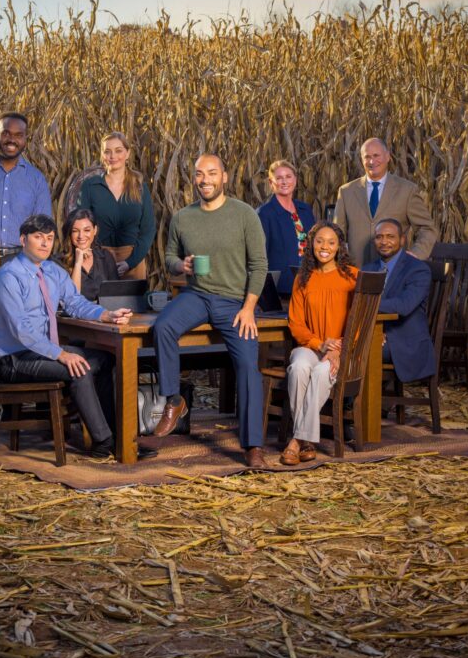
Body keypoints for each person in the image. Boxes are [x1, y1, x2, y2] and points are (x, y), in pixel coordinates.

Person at [152, 154, 269, 469]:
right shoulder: (182, 217)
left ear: (225, 177)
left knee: (247, 366)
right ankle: (174, 401)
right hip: (197, 295)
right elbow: (170, 256)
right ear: (194, 179)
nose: (205, 179)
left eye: (212, 173)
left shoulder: (244, 215)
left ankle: (253, 446)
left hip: (234, 303)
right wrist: (181, 265)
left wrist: (248, 308)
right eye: (200, 174)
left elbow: (259, 265)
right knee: (162, 326)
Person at [0, 214, 132, 460]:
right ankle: (103, 441)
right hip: (14, 359)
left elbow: (75, 302)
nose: (45, 244)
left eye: (50, 238)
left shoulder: (52, 270)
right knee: (80, 368)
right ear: (23, 240)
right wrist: (62, 354)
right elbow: (21, 331)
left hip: (41, 352)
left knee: (106, 359)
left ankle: (119, 436)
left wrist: (106, 315)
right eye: (38, 238)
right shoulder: (8, 277)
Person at [280, 222, 358, 466]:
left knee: (323, 371)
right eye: (319, 241)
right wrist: (318, 343)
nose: (325, 247)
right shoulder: (303, 278)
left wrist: (339, 350)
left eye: (331, 242)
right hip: (312, 346)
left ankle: (296, 440)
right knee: (298, 368)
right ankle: (308, 442)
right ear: (311, 244)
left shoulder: (353, 277)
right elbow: (296, 323)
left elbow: (360, 323)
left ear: (339, 247)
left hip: (340, 351)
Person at [333, 137, 438, 267]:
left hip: (394, 272)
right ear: (362, 160)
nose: (372, 161)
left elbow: (427, 228)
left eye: (376, 155)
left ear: (388, 156)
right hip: (355, 272)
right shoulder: (346, 191)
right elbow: (337, 234)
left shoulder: (407, 190)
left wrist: (416, 255)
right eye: (367, 157)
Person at [0, 113, 52, 255]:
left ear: (26, 139)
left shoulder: (36, 179)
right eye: (6, 133)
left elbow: (43, 228)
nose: (12, 140)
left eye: (19, 135)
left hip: (21, 261)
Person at [364, 218, 436, 383]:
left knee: (360, 351)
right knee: (342, 347)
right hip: (375, 336)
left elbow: (404, 306)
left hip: (405, 342)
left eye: (390, 237)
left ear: (402, 240)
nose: (384, 242)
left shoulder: (418, 269)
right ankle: (347, 404)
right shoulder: (368, 269)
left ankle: (367, 407)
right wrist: (373, 332)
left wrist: (365, 305)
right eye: (379, 237)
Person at [76, 132, 155, 280]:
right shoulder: (90, 186)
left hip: (134, 261)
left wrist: (130, 262)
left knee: (133, 303)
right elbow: (81, 226)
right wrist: (95, 258)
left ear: (127, 153)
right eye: (107, 151)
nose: (113, 156)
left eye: (118, 150)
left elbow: (148, 230)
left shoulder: (140, 187)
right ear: (102, 155)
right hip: (99, 260)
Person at [257, 159, 315, 295]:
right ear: (271, 183)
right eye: (279, 178)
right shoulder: (264, 214)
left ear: (295, 180)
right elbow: (260, 256)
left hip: (309, 284)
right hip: (282, 288)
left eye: (288, 177)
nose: (284, 182)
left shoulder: (305, 209)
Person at [62, 207, 119, 302]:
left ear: (95, 230)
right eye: (75, 231)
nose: (81, 236)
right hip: (75, 315)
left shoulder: (105, 257)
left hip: (105, 314)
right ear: (69, 233)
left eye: (87, 230)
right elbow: (72, 300)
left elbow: (117, 295)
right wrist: (77, 263)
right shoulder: (59, 261)